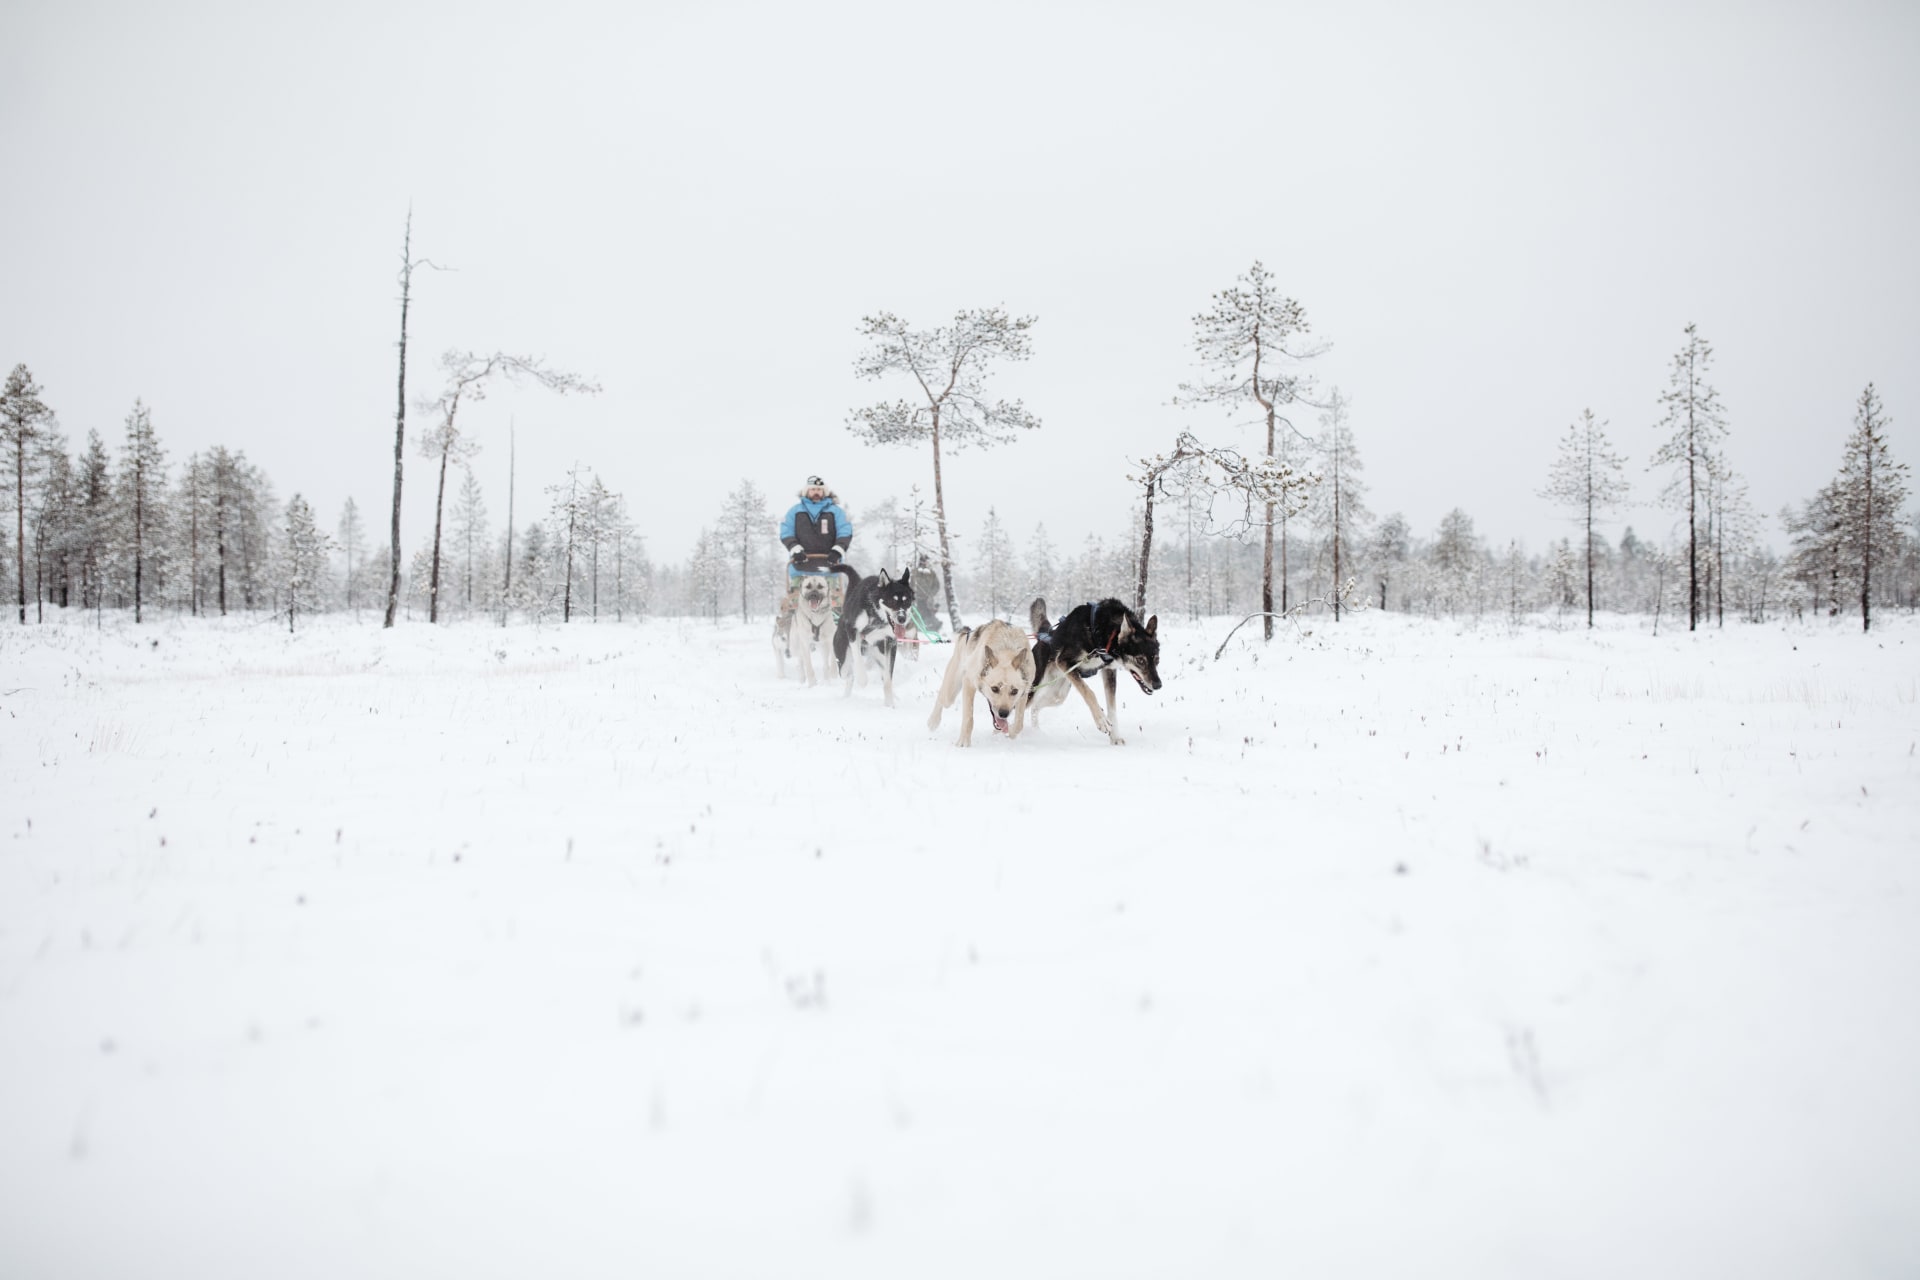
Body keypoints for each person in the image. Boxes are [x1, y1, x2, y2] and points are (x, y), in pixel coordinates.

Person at [776, 475, 852, 637]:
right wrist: (795, 549)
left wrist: (837, 551)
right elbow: (786, 531)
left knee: (836, 604)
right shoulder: (795, 512)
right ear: (807, 491)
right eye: (813, 489)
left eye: (819, 489)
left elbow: (845, 531)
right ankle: (790, 636)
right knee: (794, 604)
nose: (816, 492)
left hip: (830, 566)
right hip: (800, 567)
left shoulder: (835, 512)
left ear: (824, 492)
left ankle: (841, 637)